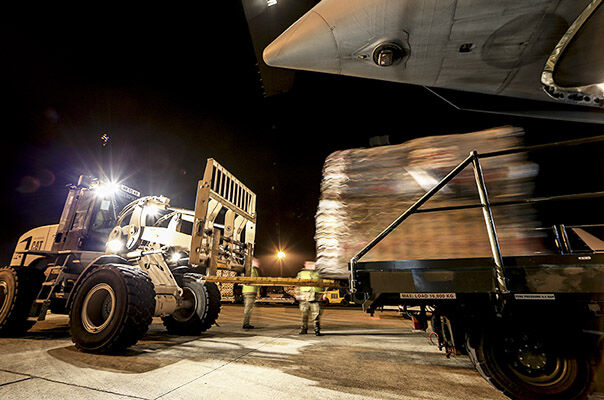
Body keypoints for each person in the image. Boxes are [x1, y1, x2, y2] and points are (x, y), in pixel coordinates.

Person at [296, 261, 324, 336]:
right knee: (304, 315)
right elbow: (296, 285)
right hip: (304, 296)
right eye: (310, 264)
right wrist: (297, 294)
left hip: (316, 297)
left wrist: (325, 293)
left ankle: (317, 330)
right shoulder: (301, 274)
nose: (312, 266)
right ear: (306, 265)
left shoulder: (319, 273)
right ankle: (304, 329)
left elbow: (325, 284)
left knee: (316, 315)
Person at [242, 258, 260, 329]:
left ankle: (246, 323)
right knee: (248, 308)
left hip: (250, 291)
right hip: (250, 291)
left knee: (249, 308)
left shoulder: (251, 269)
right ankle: (245, 324)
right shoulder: (251, 270)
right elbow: (255, 280)